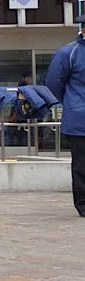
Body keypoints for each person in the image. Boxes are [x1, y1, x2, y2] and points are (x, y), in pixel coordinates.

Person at [45, 29, 85, 217]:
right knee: (82, 165)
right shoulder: (69, 53)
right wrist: (71, 103)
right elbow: (53, 83)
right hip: (79, 120)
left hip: (77, 114)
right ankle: (83, 204)